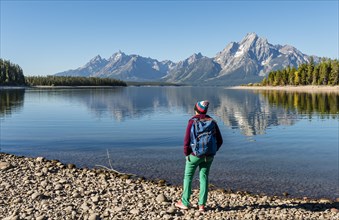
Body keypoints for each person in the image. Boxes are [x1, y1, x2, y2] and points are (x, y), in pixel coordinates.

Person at [175, 100, 223, 212]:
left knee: (188, 177)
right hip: (209, 155)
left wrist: (187, 154)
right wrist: (213, 151)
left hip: (195, 155)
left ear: (195, 110)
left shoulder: (192, 121)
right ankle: (201, 205)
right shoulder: (212, 122)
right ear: (206, 110)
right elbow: (220, 140)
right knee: (204, 178)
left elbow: (186, 141)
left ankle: (185, 202)